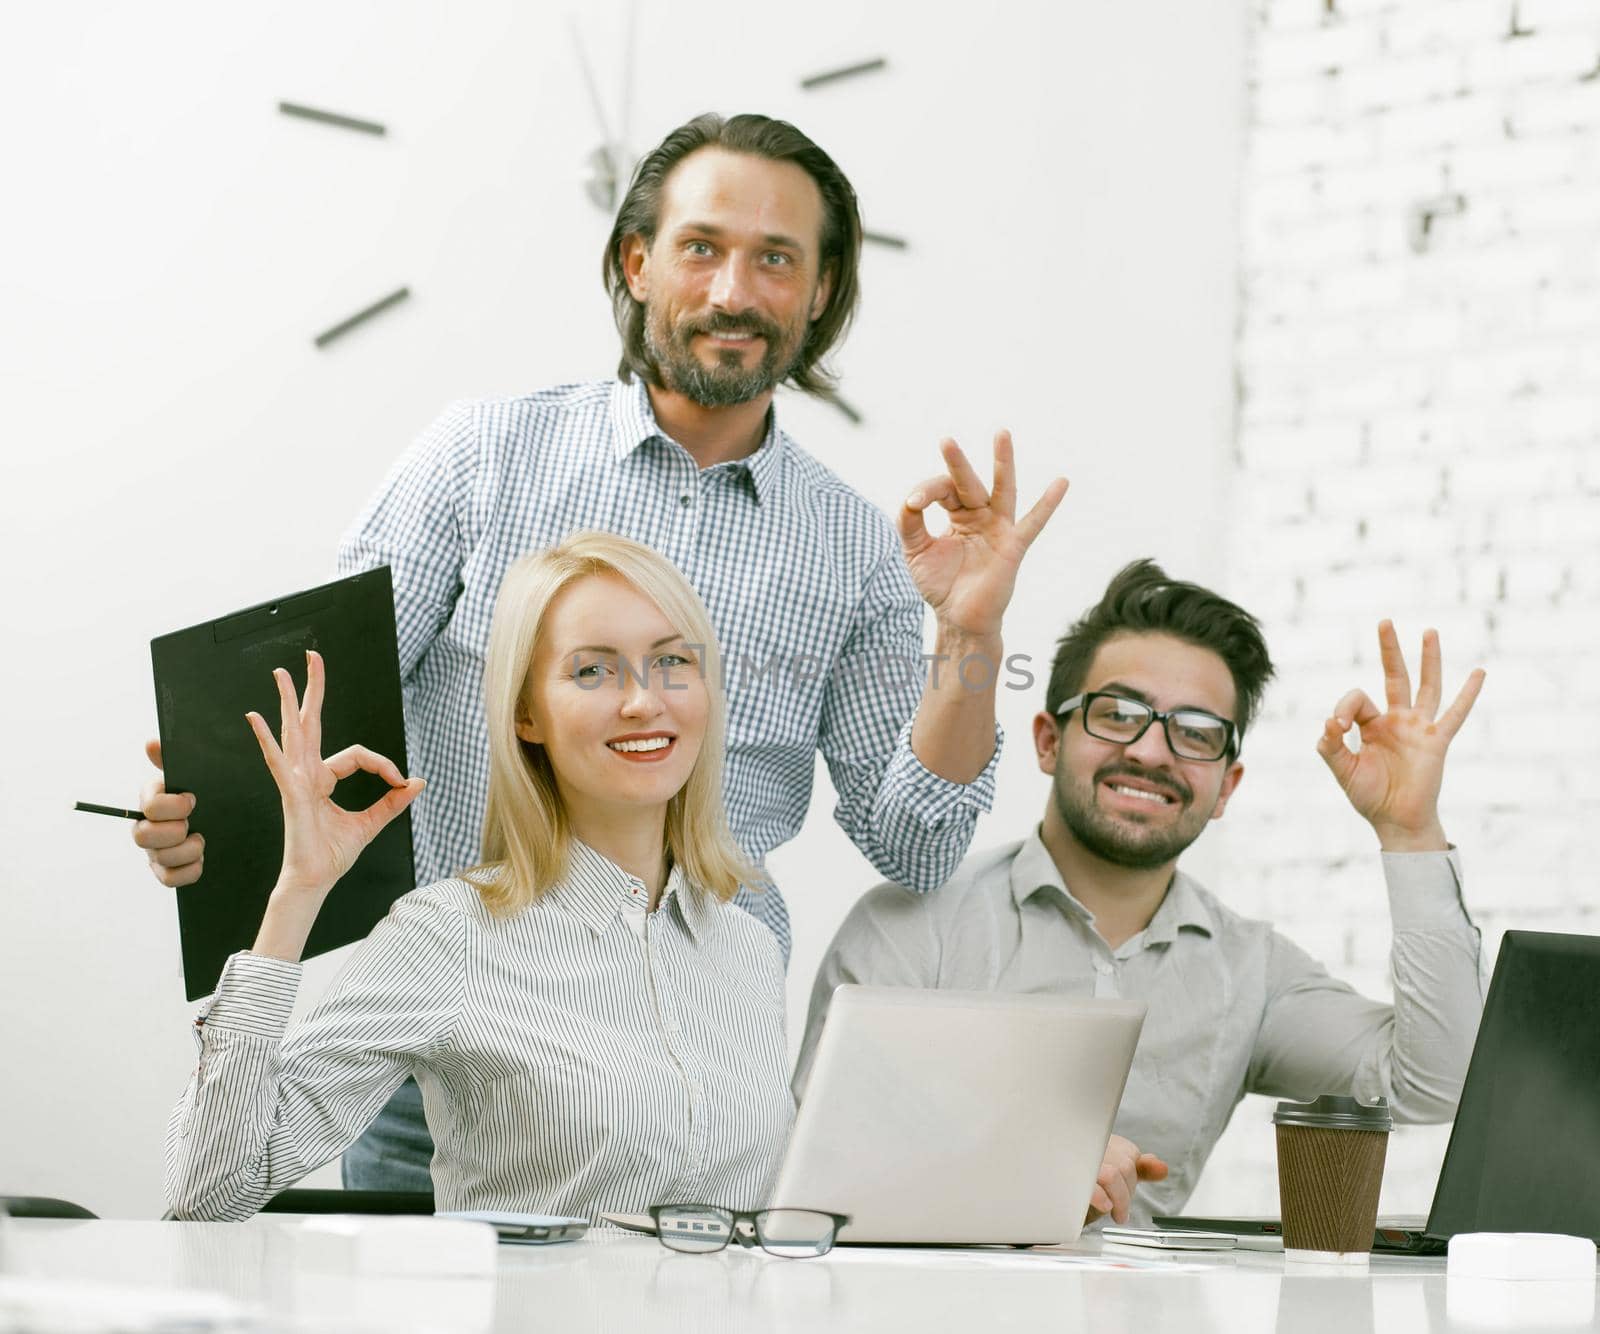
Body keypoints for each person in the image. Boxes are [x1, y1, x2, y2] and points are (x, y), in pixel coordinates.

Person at [136, 112, 1067, 1192]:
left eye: (776, 259)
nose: (733, 291)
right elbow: (321, 707)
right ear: (636, 260)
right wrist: (214, 824)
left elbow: (915, 840)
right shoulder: (486, 455)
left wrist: (969, 635)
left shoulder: (856, 549)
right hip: (455, 1023)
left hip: (700, 1038)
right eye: (702, 247)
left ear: (819, 291)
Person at [165, 531, 1154, 1227]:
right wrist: (295, 896)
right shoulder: (445, 934)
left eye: (673, 661)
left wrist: (1030, 1167)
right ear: (526, 713)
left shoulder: (741, 942)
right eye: (592, 670)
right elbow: (213, 1188)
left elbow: (787, 1204)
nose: (645, 698)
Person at [796, 560, 1488, 1227]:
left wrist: (1410, 829)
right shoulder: (912, 927)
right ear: (1047, 741)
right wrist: (1017, 1157)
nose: (1153, 753)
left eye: (1196, 733)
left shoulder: (1253, 972)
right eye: (1119, 714)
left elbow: (1439, 1083)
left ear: (1226, 787)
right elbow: (812, 1164)